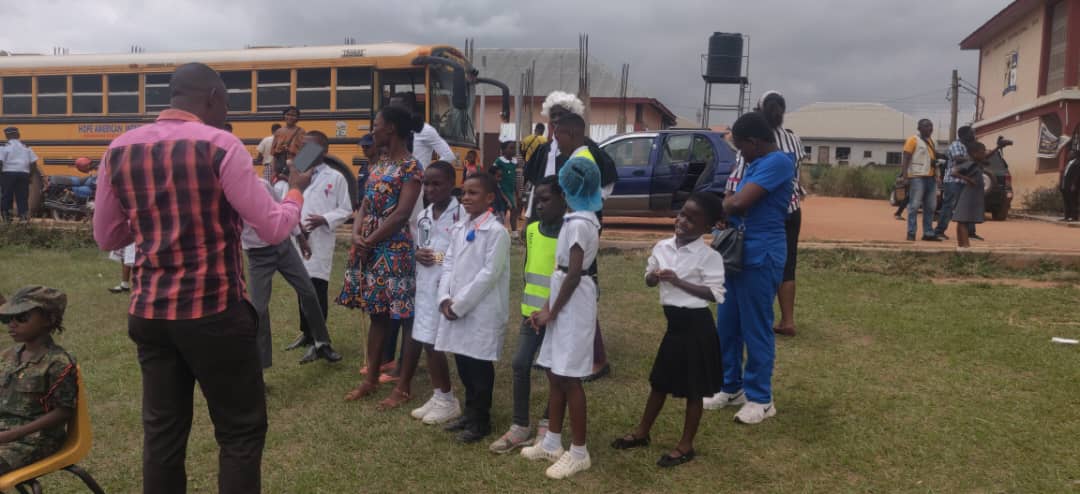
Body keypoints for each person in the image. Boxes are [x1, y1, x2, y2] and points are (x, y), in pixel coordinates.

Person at [93, 63, 312, 493]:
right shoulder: (221, 146)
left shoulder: (118, 149)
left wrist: (153, 223)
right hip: (214, 312)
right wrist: (296, 192)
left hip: (150, 313)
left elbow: (108, 236)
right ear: (213, 96)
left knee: (162, 436)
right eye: (227, 100)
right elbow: (272, 227)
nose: (227, 108)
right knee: (240, 432)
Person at [611, 192, 726, 468]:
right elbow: (648, 278)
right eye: (682, 214)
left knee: (694, 390)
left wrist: (678, 281)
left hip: (697, 329)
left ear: (707, 226)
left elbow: (715, 294)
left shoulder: (709, 256)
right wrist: (653, 277)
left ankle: (686, 445)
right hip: (674, 328)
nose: (683, 221)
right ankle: (642, 433)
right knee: (659, 382)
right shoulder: (662, 247)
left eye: (692, 219)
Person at [520, 154, 603, 480]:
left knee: (570, 378)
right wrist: (547, 308)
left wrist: (551, 312)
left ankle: (579, 452)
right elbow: (561, 273)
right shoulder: (576, 219)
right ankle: (552, 442)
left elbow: (574, 273)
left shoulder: (580, 223)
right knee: (555, 373)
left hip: (574, 304)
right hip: (563, 299)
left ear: (568, 189)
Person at [709, 111, 794, 425]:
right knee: (728, 323)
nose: (740, 152)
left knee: (755, 326)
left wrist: (721, 207)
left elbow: (738, 202)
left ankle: (761, 398)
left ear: (755, 142)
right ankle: (731, 386)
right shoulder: (755, 164)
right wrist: (727, 210)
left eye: (741, 146)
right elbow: (732, 201)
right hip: (739, 252)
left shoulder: (778, 162)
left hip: (762, 253)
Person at [522, 95, 615, 381]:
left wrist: (583, 207)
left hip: (575, 222)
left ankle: (596, 357)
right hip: (546, 223)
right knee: (552, 279)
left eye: (561, 117)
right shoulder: (545, 149)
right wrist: (531, 215)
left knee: (576, 280)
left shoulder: (586, 153)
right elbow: (535, 185)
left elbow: (604, 182)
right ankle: (549, 345)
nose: (555, 124)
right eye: (553, 118)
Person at [338, 105, 423, 408]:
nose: (372, 129)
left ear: (391, 129)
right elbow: (363, 204)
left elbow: (402, 214)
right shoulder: (379, 163)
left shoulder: (411, 167)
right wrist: (356, 233)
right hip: (369, 246)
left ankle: (403, 386)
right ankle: (371, 378)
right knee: (377, 313)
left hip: (394, 249)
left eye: (376, 124)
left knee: (403, 314)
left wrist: (369, 240)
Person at [489, 174, 564, 454]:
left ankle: (548, 424)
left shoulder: (571, 232)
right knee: (520, 363)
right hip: (530, 314)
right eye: (537, 201)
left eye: (546, 199)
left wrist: (552, 310)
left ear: (563, 199)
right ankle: (520, 425)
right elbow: (530, 270)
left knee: (556, 370)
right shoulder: (531, 230)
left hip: (559, 315)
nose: (540, 206)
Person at [434, 173, 511, 443]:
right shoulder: (459, 228)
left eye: (473, 193)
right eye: (464, 192)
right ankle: (469, 413)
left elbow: (489, 275)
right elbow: (448, 264)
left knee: (479, 366)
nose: (465, 198)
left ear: (489, 198)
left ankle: (481, 420)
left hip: (481, 310)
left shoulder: (497, 232)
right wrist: (444, 298)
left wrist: (461, 305)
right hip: (455, 306)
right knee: (463, 363)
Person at [722, 91, 805, 337]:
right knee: (787, 266)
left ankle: (759, 314)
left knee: (757, 276)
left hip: (760, 215)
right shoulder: (794, 140)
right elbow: (798, 174)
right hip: (791, 208)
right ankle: (787, 319)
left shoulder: (755, 146)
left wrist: (727, 203)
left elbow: (737, 187)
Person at [242, 174, 340, 368]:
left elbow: (284, 209)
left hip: (283, 247)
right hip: (257, 256)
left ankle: (321, 343)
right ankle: (261, 365)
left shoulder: (262, 185)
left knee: (308, 292)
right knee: (258, 309)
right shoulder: (229, 197)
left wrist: (301, 238)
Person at [281, 131, 353, 359]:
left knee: (317, 288)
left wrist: (325, 219)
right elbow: (287, 201)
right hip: (297, 237)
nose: (304, 151)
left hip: (320, 240)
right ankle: (306, 333)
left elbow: (346, 209)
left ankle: (319, 339)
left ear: (324, 150)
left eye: (310, 147)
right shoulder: (296, 175)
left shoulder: (336, 177)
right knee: (301, 287)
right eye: (302, 146)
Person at [405, 161, 464, 425]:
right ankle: (441, 394)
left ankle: (450, 400)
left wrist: (438, 258)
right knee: (428, 342)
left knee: (444, 343)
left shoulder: (462, 214)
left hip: (450, 288)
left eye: (436, 183)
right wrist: (417, 254)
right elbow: (421, 247)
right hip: (426, 286)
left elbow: (462, 253)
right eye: (426, 184)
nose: (430, 189)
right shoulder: (424, 216)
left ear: (451, 183)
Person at [0, 286, 78, 475]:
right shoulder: (8, 356)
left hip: (35, 440)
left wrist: (14, 434)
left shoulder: (58, 362)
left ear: (48, 319)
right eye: (9, 318)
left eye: (22, 317)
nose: (12, 324)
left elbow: (64, 411)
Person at [935, 126, 980, 241]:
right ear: (963, 135)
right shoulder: (956, 145)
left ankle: (971, 233)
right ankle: (939, 231)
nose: (973, 135)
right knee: (949, 206)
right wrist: (973, 158)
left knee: (968, 206)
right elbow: (957, 158)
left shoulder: (968, 146)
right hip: (953, 180)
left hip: (965, 180)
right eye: (971, 133)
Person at [901, 119, 940, 242]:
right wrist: (905, 177)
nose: (930, 128)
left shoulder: (932, 141)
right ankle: (911, 233)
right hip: (917, 177)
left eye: (931, 126)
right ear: (919, 128)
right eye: (927, 126)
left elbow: (933, 161)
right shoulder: (912, 140)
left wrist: (937, 176)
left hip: (931, 177)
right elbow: (906, 158)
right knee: (914, 206)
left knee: (931, 207)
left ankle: (928, 233)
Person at [951, 141, 989, 249]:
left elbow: (987, 157)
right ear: (974, 153)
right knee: (963, 221)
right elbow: (954, 172)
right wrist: (968, 179)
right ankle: (965, 245)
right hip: (968, 195)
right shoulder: (970, 163)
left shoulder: (976, 163)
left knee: (964, 221)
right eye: (982, 152)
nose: (984, 154)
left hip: (972, 195)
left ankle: (962, 245)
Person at [0, 127, 41, 222]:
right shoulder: (26, 147)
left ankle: (7, 219)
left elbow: (0, 162)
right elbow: (34, 163)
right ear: (18, 135)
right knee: (22, 198)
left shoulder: (4, 148)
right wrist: (30, 176)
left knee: (7, 197)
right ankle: (23, 219)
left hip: (8, 174)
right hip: (23, 174)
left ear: (7, 136)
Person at [270, 106, 305, 181]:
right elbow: (274, 154)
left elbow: (303, 152)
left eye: (293, 115)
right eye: (288, 114)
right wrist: (273, 171)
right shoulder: (278, 132)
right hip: (280, 168)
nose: (290, 117)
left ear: (297, 118)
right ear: (284, 116)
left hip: (295, 167)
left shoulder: (301, 132)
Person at [491, 141, 520, 231]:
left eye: (514, 148)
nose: (513, 150)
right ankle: (500, 230)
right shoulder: (499, 161)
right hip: (501, 190)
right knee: (501, 211)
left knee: (514, 210)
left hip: (510, 190)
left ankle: (514, 231)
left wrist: (517, 190)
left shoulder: (515, 162)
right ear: (503, 150)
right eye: (510, 148)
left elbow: (515, 176)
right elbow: (493, 172)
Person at [1061, 124, 1080, 222]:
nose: (1068, 154)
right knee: (1066, 201)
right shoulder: (1068, 163)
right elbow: (1065, 175)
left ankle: (1074, 217)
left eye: (1070, 153)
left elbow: (1077, 175)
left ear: (1074, 154)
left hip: (1072, 185)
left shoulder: (1077, 163)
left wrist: (1074, 184)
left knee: (1073, 201)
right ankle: (1067, 216)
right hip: (1065, 185)